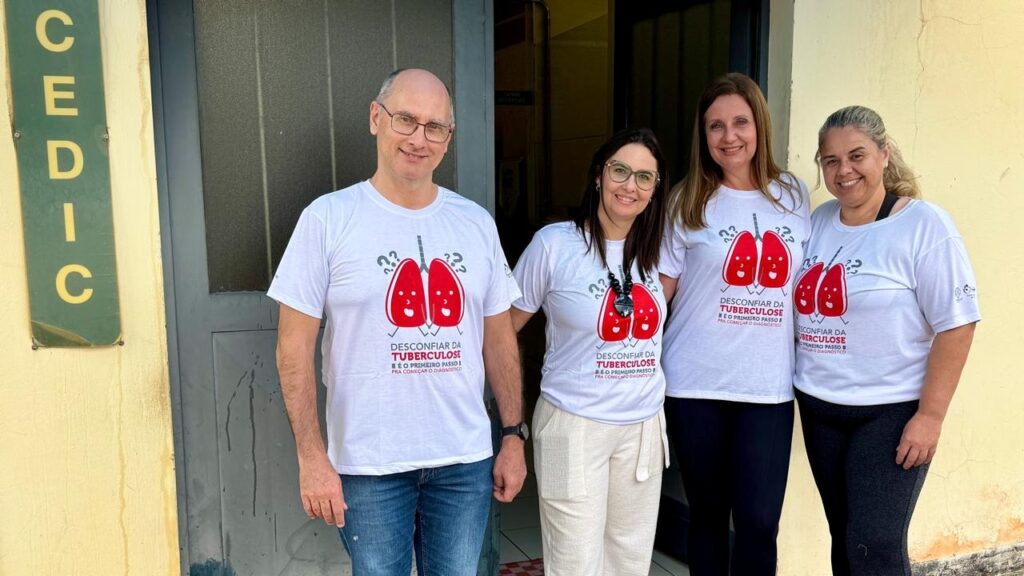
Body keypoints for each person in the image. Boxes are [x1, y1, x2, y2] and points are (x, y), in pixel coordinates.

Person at [268, 68, 527, 576]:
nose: (418, 138)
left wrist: (513, 437)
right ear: (375, 119)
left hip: (463, 458)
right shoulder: (327, 219)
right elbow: (292, 348)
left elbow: (497, 338)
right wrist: (311, 456)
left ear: (448, 139)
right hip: (369, 465)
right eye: (405, 119)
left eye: (434, 127)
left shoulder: (475, 223)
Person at [794, 105, 980, 576]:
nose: (844, 170)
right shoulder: (818, 222)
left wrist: (931, 416)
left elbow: (957, 323)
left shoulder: (923, 225)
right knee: (845, 538)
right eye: (830, 160)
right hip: (820, 408)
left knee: (873, 546)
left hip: (890, 414)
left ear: (884, 154)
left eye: (857, 155)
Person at [659, 72, 810, 575]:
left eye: (740, 122)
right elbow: (659, 294)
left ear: (759, 125)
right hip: (695, 383)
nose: (729, 137)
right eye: (715, 126)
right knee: (706, 515)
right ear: (703, 136)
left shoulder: (792, 194)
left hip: (767, 386)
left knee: (760, 521)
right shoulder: (686, 201)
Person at [510, 128, 670, 575]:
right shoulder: (555, 244)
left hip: (641, 429)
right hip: (572, 425)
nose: (630, 185)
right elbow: (504, 329)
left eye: (644, 177)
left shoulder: (660, 250)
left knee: (629, 561)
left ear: (656, 190)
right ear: (599, 175)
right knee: (573, 563)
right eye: (620, 170)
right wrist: (510, 418)